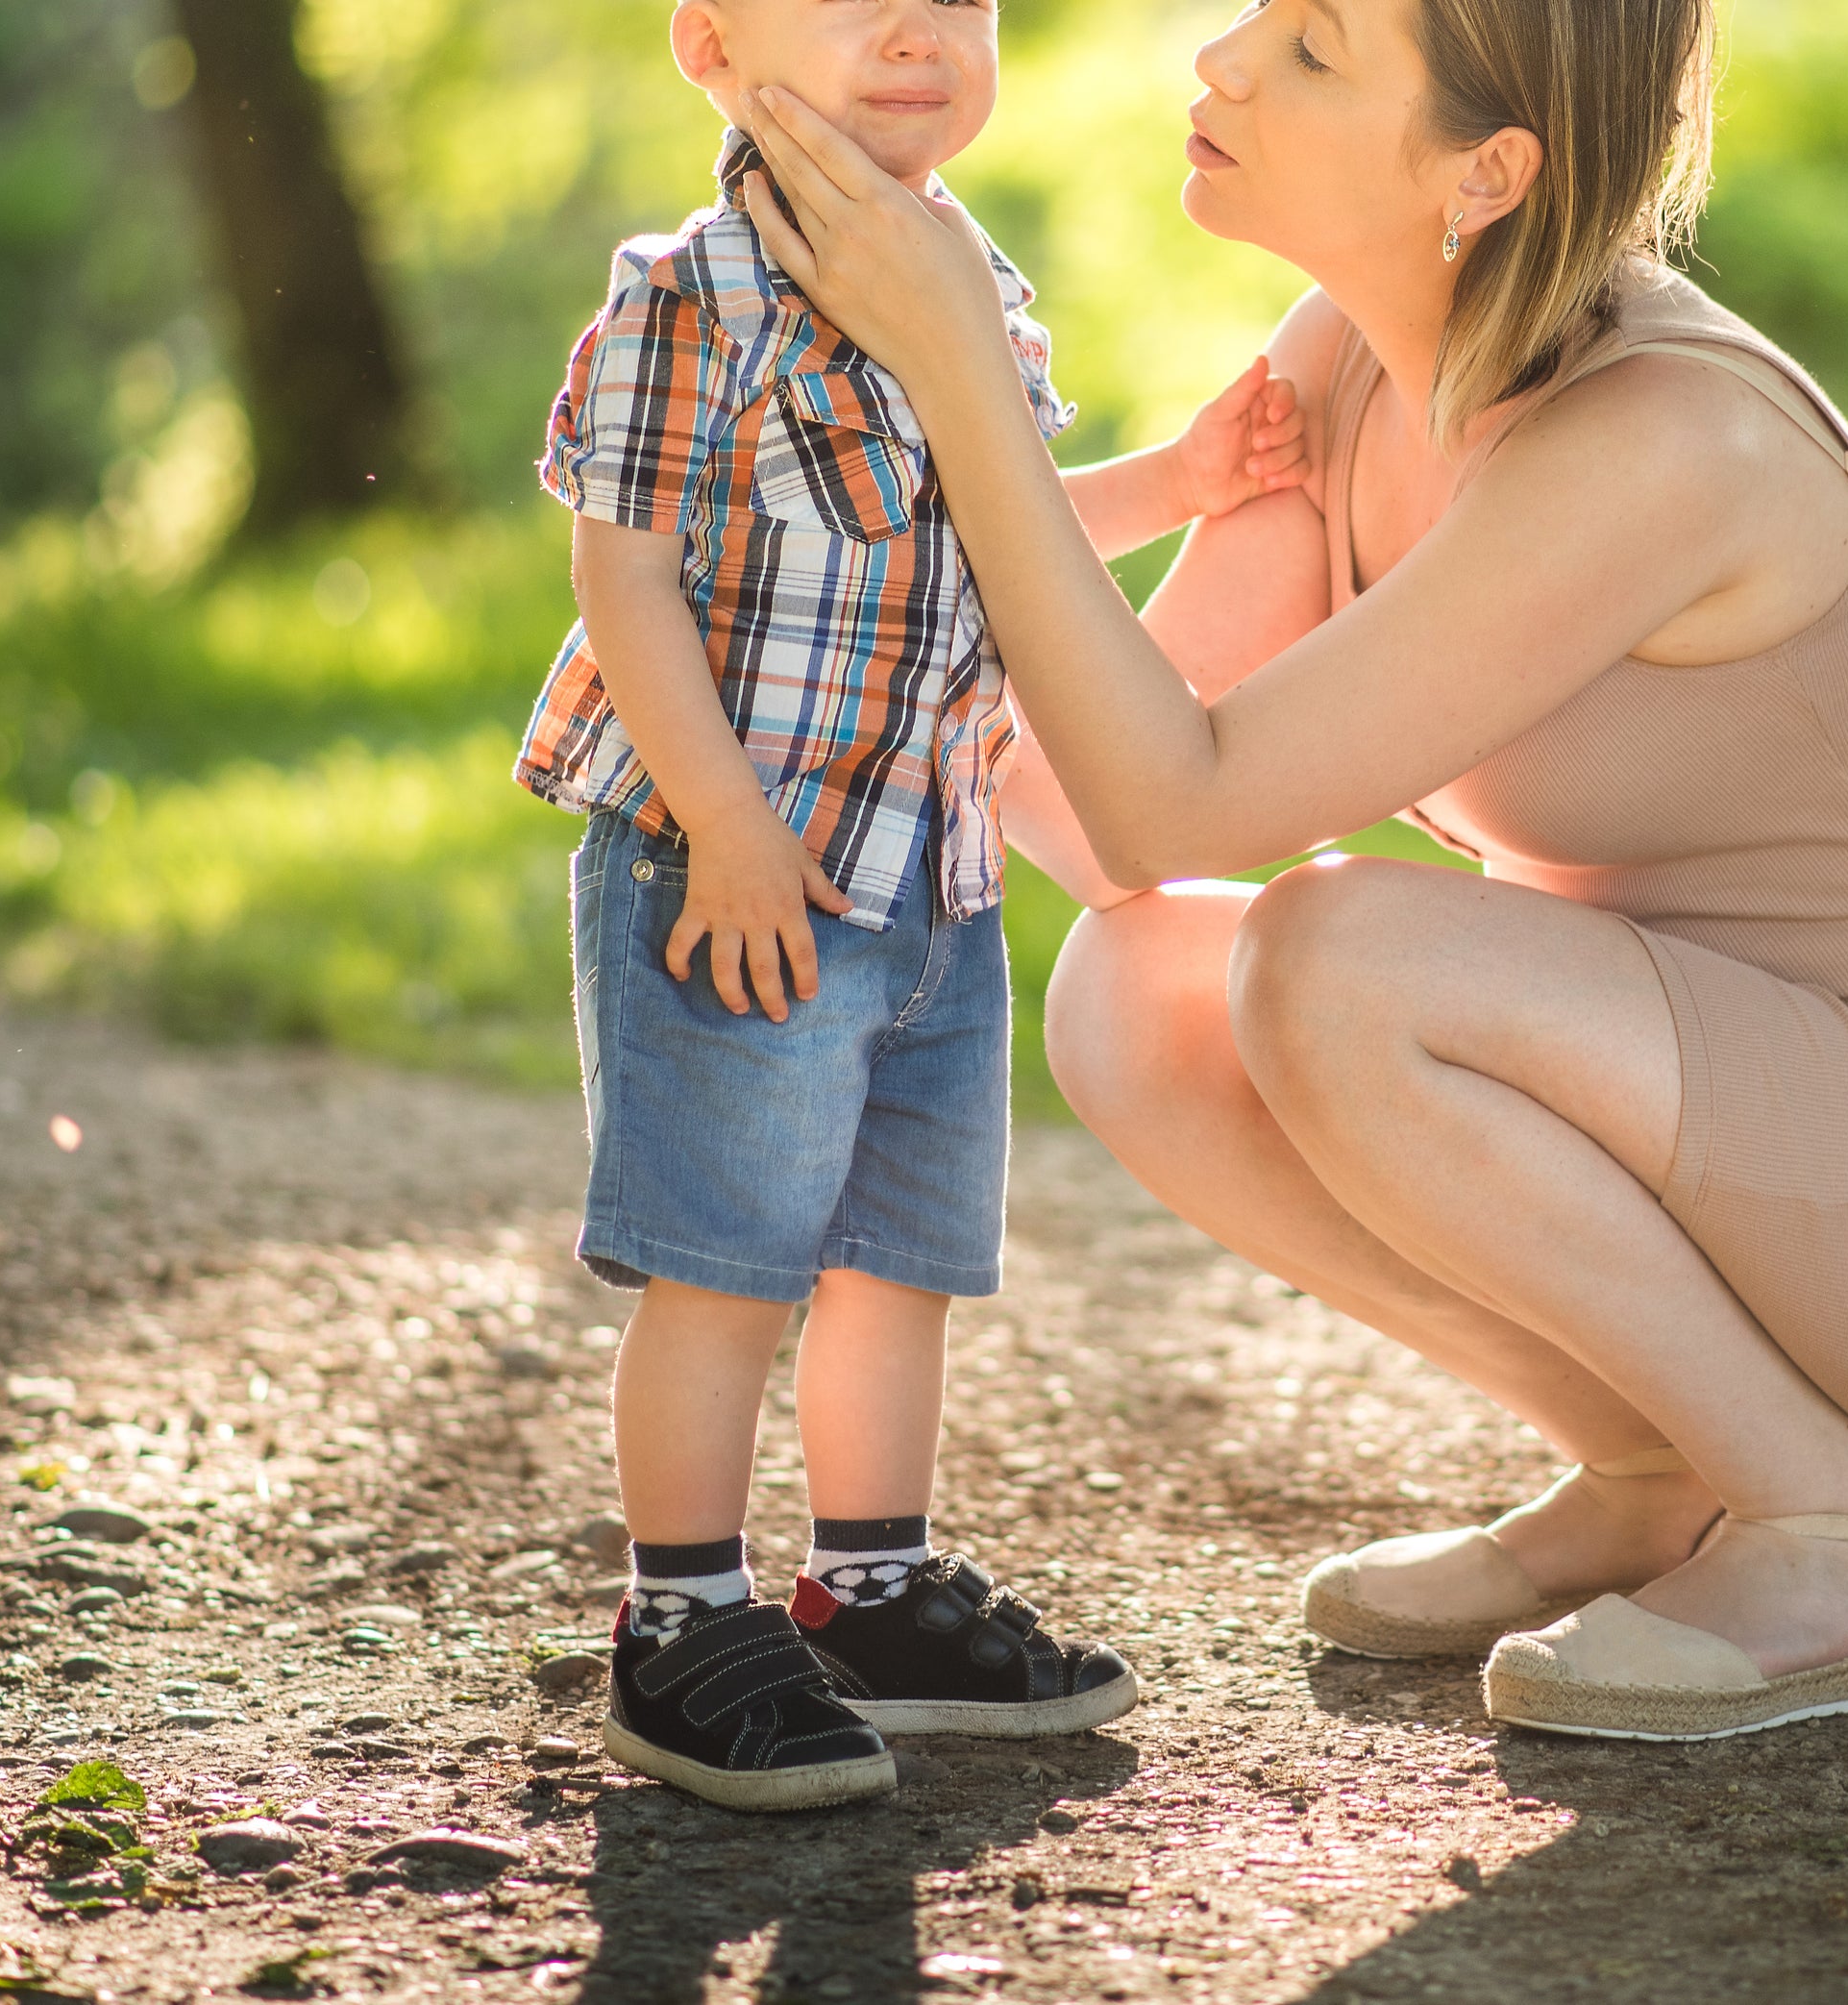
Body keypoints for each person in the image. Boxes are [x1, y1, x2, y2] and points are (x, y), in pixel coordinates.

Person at [726, 0, 1848, 1745]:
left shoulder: (1667, 440)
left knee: (1334, 952)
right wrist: (791, 620)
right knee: (1142, 990)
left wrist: (965, 372)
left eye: (1317, 50)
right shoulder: (1345, 359)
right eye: (1257, 17)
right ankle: (1664, 1469)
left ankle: (1831, 1539)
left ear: (1489, 170)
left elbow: (1176, 805)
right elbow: (1092, 807)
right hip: (1733, 1127)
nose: (1222, 62)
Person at [516, 0, 1308, 1809]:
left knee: (897, 1259)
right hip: (749, 874)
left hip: (931, 876)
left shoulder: (976, 279)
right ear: (709, 46)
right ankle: (681, 1622)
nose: (915, 26)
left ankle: (868, 1583)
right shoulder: (688, 290)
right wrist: (721, 819)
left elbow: (999, 522)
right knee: (729, 1269)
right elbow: (621, 580)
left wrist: (1179, 486)